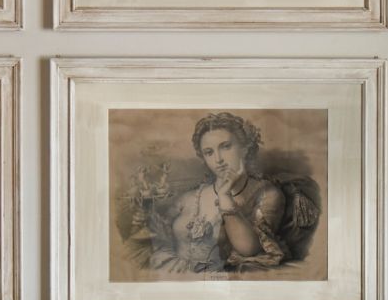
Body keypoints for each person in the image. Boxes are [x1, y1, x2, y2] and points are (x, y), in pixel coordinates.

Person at [130, 112, 319, 275]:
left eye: (226, 146)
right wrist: (144, 218)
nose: (218, 159)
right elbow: (157, 237)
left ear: (244, 148)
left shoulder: (266, 194)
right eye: (209, 152)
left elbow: (248, 250)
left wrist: (225, 197)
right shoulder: (189, 197)